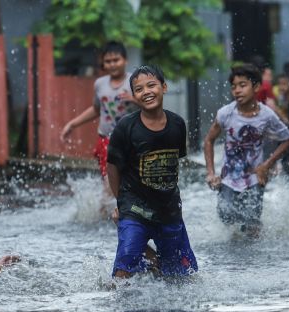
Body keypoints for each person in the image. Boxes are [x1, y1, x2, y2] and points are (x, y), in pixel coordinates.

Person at [106, 65, 198, 278]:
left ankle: (154, 263)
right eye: (139, 89)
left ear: (164, 87)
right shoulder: (126, 128)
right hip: (134, 206)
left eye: (151, 85)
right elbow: (112, 166)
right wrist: (121, 203)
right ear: (134, 96)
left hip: (168, 208)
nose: (146, 92)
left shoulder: (177, 124)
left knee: (179, 275)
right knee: (124, 268)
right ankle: (119, 306)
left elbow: (174, 162)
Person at [203, 64, 289, 237]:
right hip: (228, 177)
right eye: (234, 87)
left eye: (242, 85)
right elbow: (208, 140)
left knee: (251, 224)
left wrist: (266, 165)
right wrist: (210, 173)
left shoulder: (266, 115)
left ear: (257, 87)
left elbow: (288, 139)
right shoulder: (225, 113)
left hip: (254, 178)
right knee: (226, 215)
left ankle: (252, 260)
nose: (237, 90)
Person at [60, 41, 139, 178]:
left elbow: (150, 106)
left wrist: (134, 100)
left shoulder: (134, 81)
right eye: (108, 61)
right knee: (109, 178)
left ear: (125, 60)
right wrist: (72, 124)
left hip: (130, 140)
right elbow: (96, 109)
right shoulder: (100, 84)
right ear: (103, 63)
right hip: (106, 140)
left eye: (116, 60)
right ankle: (106, 200)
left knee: (131, 177)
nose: (112, 64)